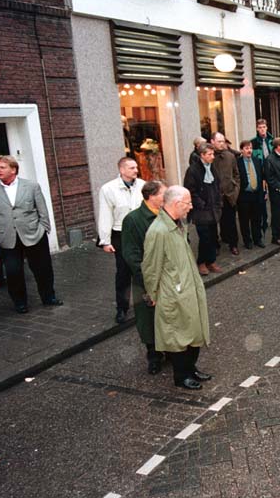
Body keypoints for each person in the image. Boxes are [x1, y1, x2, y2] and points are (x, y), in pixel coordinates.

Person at [142, 186, 211, 390]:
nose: (190, 207)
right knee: (178, 336)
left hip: (188, 288)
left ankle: (191, 368)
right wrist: (153, 294)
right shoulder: (158, 231)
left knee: (193, 331)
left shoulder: (178, 224)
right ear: (175, 204)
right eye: (187, 203)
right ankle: (181, 376)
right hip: (173, 292)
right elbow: (150, 267)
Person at [0, 155, 62, 313]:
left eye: (2, 167)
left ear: (13, 169)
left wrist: (44, 228)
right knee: (13, 271)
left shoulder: (31, 186)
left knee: (42, 268)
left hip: (34, 234)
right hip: (7, 236)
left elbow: (42, 210)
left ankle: (48, 297)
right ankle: (20, 302)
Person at [121, 180, 167, 375]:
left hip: (168, 277)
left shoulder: (167, 215)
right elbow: (131, 254)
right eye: (163, 195)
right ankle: (154, 356)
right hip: (146, 280)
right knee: (148, 319)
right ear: (151, 196)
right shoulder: (133, 220)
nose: (167, 198)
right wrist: (146, 277)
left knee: (168, 316)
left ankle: (171, 350)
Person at [98, 157, 145, 324]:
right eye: (132, 168)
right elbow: (105, 215)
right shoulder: (108, 189)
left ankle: (145, 302)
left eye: (136, 167)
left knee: (143, 268)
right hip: (121, 234)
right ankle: (122, 308)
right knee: (123, 272)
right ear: (122, 170)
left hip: (141, 233)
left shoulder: (142, 185)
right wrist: (105, 241)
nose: (136, 170)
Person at [183, 143, 222, 275]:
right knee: (204, 237)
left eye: (213, 154)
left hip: (213, 209)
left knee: (212, 237)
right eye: (209, 154)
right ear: (202, 155)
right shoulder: (193, 170)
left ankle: (211, 261)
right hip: (201, 210)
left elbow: (217, 186)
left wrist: (218, 202)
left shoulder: (213, 168)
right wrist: (200, 203)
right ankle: (201, 262)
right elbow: (190, 190)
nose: (213, 157)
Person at [211, 132, 241, 256]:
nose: (222, 144)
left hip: (229, 195)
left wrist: (235, 191)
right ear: (212, 142)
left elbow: (236, 175)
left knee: (231, 222)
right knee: (213, 223)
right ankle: (215, 245)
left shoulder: (230, 156)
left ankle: (233, 245)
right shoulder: (209, 157)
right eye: (219, 141)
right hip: (215, 197)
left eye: (223, 141)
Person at [236, 140, 266, 249]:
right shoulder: (237, 162)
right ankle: (247, 241)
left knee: (257, 219)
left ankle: (257, 239)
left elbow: (262, 177)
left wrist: (264, 191)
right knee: (244, 220)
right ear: (241, 150)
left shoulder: (257, 161)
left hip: (256, 194)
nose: (249, 150)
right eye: (247, 148)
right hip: (244, 195)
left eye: (250, 148)